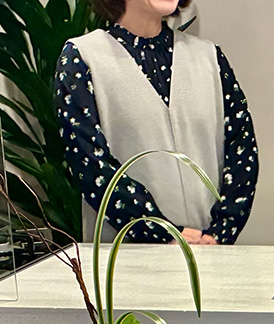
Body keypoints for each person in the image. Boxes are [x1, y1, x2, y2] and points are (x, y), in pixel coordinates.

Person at [55, 0, 258, 244]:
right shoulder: (83, 58)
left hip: (209, 253)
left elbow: (242, 149)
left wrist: (219, 233)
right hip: (126, 257)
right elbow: (89, 162)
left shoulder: (209, 58)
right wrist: (161, 231)